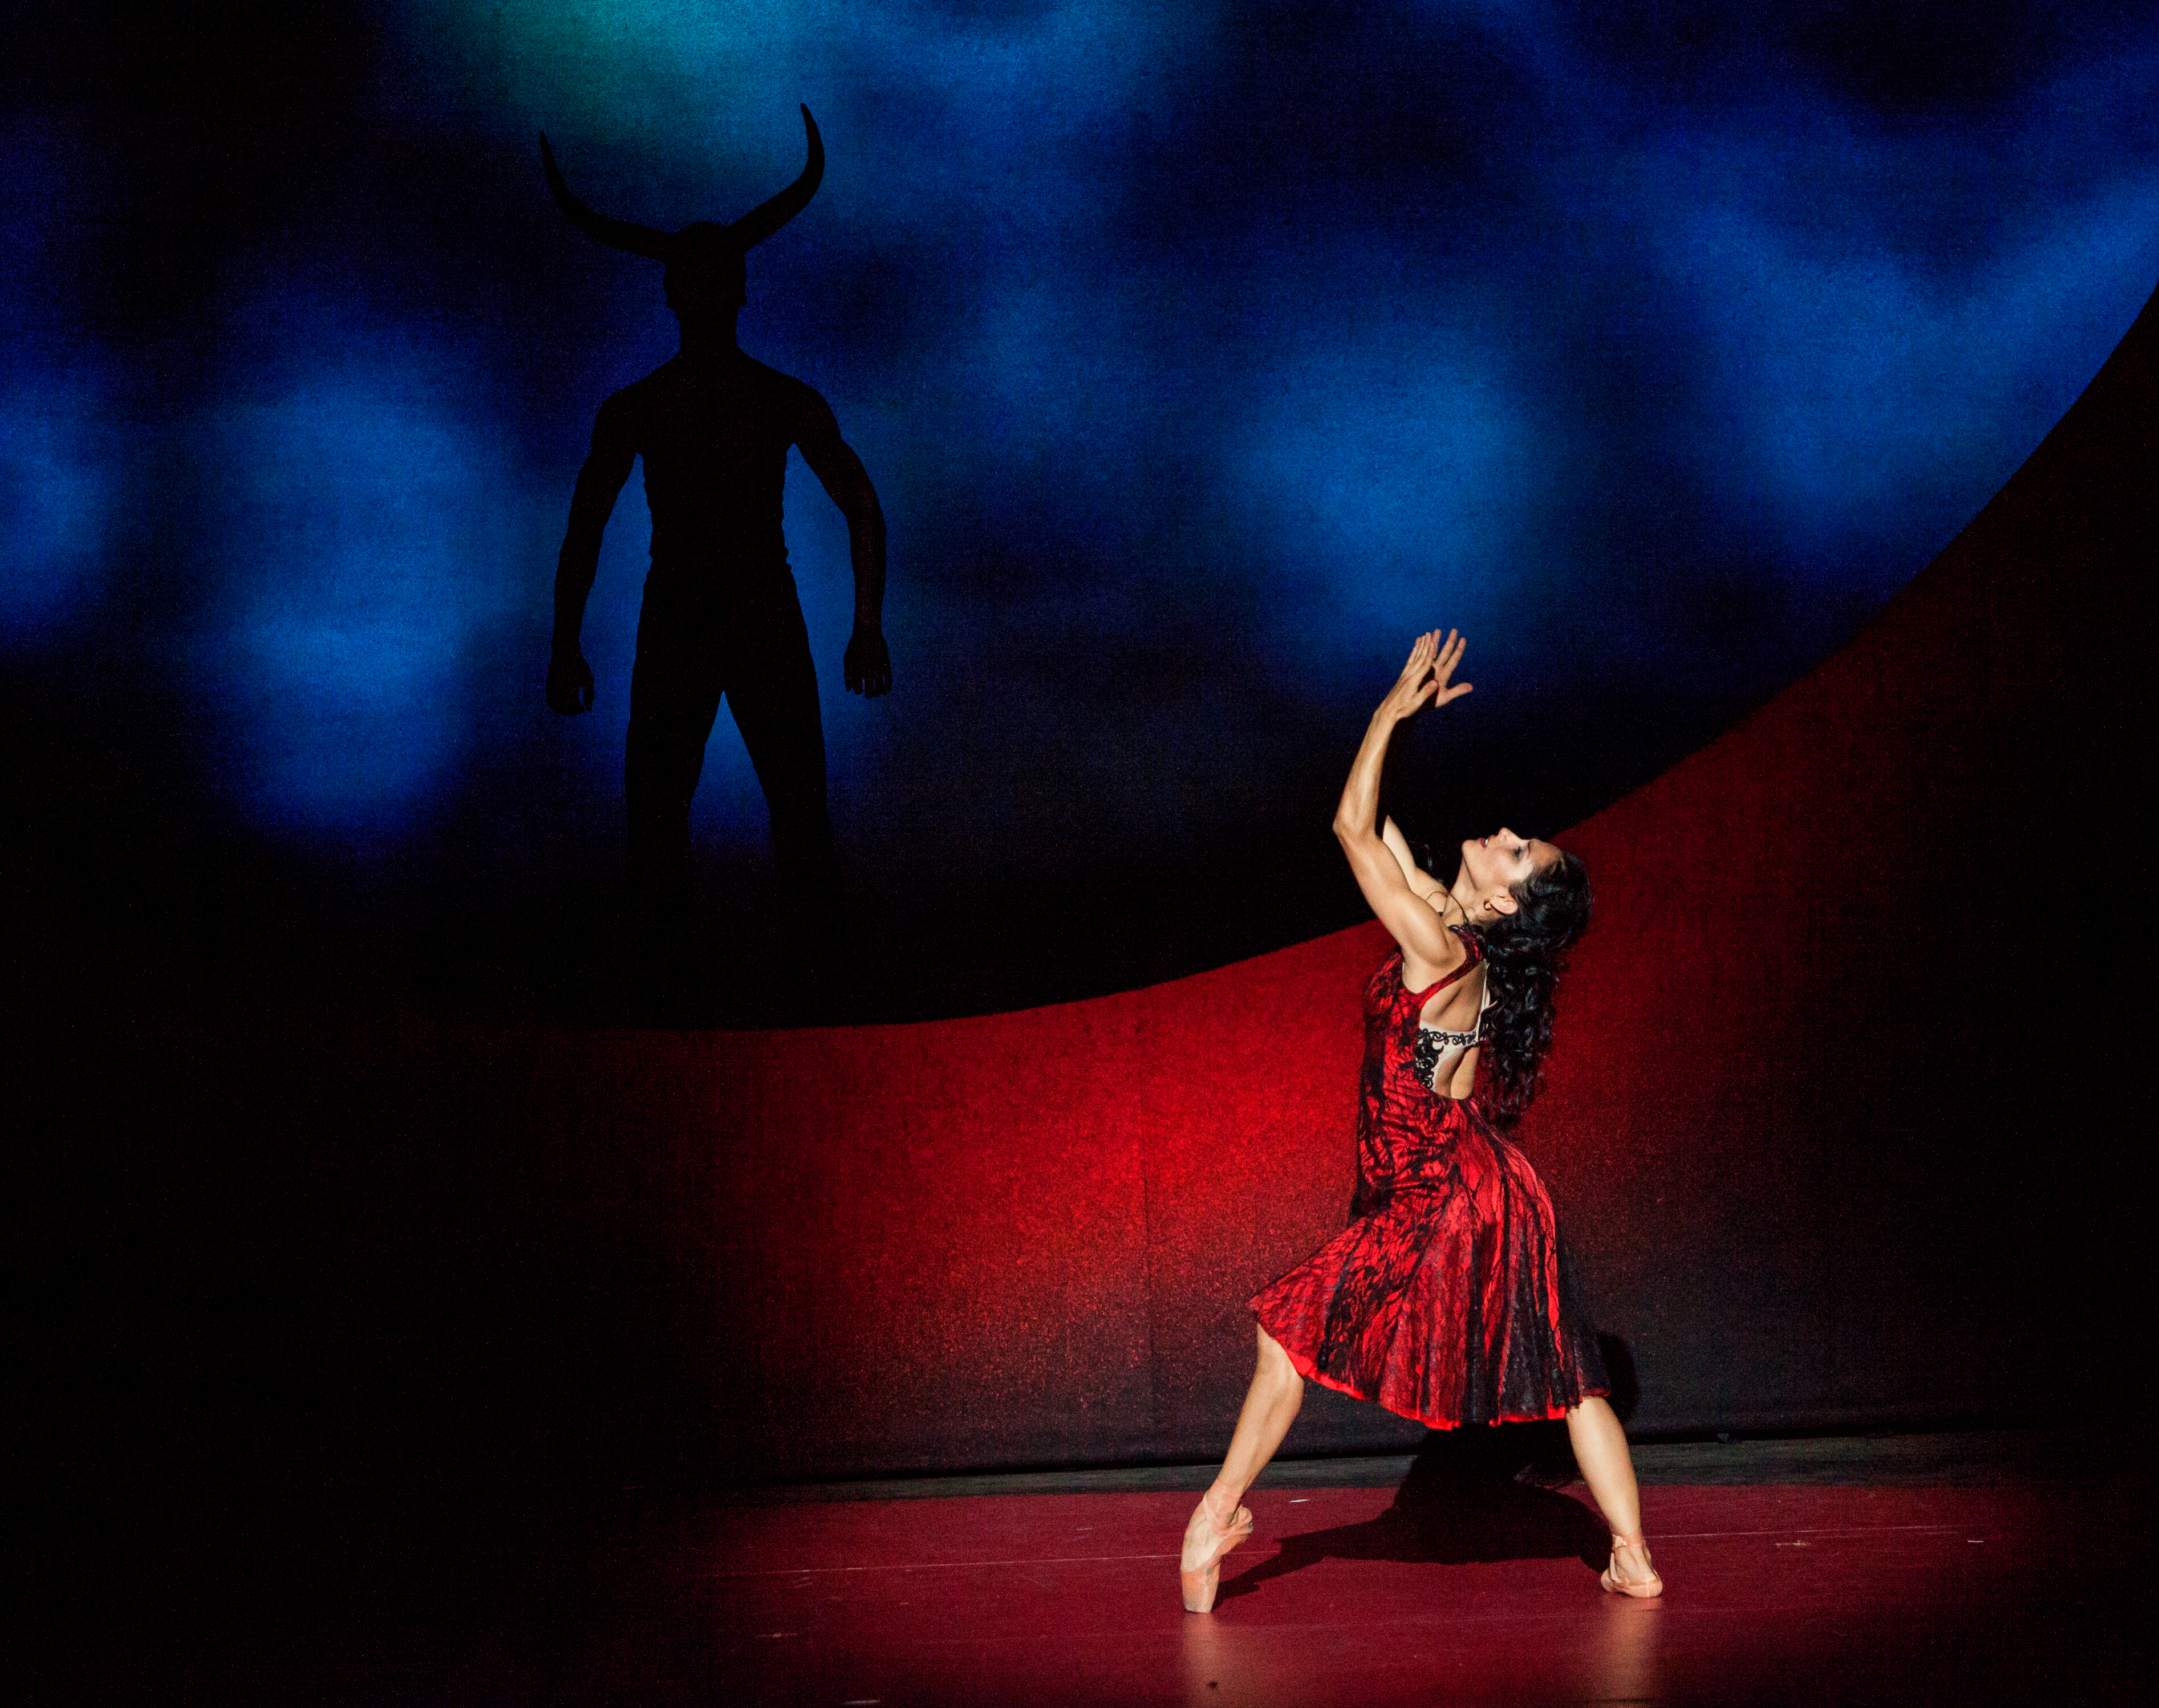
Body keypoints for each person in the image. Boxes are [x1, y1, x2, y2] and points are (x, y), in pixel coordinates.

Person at [1178, 629, 1662, 1612]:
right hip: (1482, 1184)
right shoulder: (1446, 924)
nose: (1505, 834)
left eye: (1517, 852)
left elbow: (1350, 832)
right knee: (1568, 1378)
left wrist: (1384, 715)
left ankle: (1212, 1520)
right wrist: (1394, 731)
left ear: (1505, 901)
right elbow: (1381, 826)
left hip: (1442, 1189)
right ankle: (1632, 1557)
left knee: (1288, 1335)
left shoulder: (1441, 948)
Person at [541, 110, 889, 975]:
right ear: (699, 294)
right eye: (695, 280)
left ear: (726, 292)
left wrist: (868, 625)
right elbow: (585, 527)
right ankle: (699, 991)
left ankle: (780, 990)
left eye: (711, 278)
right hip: (716, 614)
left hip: (722, 613)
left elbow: (860, 503)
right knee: (681, 818)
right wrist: (563, 642)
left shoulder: (675, 405)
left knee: (750, 815)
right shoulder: (714, 403)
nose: (701, 293)